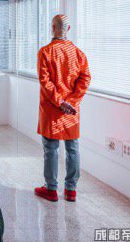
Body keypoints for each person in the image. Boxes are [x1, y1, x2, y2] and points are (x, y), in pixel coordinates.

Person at [35, 14, 91, 202]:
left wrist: (60, 102)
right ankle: (71, 190)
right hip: (71, 112)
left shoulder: (45, 52)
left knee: (51, 149)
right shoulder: (78, 54)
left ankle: (51, 190)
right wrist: (72, 102)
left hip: (52, 110)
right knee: (72, 149)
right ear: (68, 29)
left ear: (53, 27)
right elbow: (85, 79)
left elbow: (45, 82)